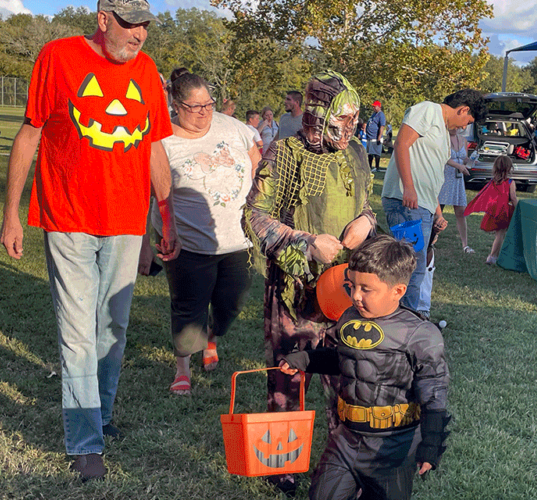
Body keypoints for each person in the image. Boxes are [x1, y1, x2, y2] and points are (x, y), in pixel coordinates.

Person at [0, 0, 178, 482]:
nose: (138, 36)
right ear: (103, 20)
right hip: (68, 216)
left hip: (125, 220)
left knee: (111, 330)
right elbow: (30, 132)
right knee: (78, 332)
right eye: (129, 25)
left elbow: (153, 144)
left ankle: (100, 416)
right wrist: (10, 212)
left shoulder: (147, 69)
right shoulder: (58, 57)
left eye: (144, 27)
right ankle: (85, 443)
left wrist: (167, 216)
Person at [244, 70, 376, 496]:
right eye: (341, 123)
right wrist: (302, 241)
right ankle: (282, 464)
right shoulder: (283, 153)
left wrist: (365, 222)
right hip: (295, 293)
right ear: (318, 117)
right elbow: (253, 216)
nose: (349, 131)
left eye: (354, 122)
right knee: (288, 373)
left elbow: (366, 203)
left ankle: (347, 460)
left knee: (350, 375)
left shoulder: (356, 152)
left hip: (346, 290)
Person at [278, 235, 450, 500]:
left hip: (393, 446)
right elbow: (344, 360)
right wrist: (304, 360)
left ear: (398, 291)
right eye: (352, 286)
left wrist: (431, 443)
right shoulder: (349, 317)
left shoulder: (420, 334)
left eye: (366, 289)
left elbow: (434, 390)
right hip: (345, 438)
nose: (356, 296)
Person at [139, 71, 260, 395]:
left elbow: (257, 165)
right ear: (176, 105)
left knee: (230, 303)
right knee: (188, 305)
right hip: (185, 242)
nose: (205, 111)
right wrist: (143, 246)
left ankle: (213, 337)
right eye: (195, 107)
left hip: (238, 240)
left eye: (208, 104)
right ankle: (183, 368)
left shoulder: (234, 128)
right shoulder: (161, 137)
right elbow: (145, 192)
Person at [381, 89, 487, 316]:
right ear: (463, 109)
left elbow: (433, 176)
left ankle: (409, 318)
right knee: (411, 267)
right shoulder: (427, 110)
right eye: (466, 121)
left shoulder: (444, 135)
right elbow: (401, 144)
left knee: (418, 268)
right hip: (406, 203)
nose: (463, 128)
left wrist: (438, 212)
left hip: (423, 207)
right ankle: (405, 321)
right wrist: (408, 187)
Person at [464, 155, 517, 265]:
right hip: (503, 212)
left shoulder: (493, 181)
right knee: (500, 235)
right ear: (509, 168)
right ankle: (492, 256)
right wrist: (518, 208)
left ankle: (494, 255)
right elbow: (513, 198)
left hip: (494, 211)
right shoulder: (510, 182)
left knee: (499, 234)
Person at [438, 126, 472, 254]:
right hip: (445, 178)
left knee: (461, 212)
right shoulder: (443, 139)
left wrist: (468, 162)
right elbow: (443, 158)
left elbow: (464, 158)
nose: (455, 128)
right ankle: (431, 241)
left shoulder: (463, 140)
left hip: (458, 180)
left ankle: (465, 245)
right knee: (438, 211)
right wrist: (458, 165)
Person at [365, 100, 386, 171]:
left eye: (374, 106)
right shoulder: (374, 114)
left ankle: (377, 167)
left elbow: (382, 126)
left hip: (375, 137)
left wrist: (379, 137)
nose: (373, 108)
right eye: (373, 106)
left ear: (378, 107)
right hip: (370, 137)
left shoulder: (381, 115)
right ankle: (369, 166)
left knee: (376, 152)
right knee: (370, 153)